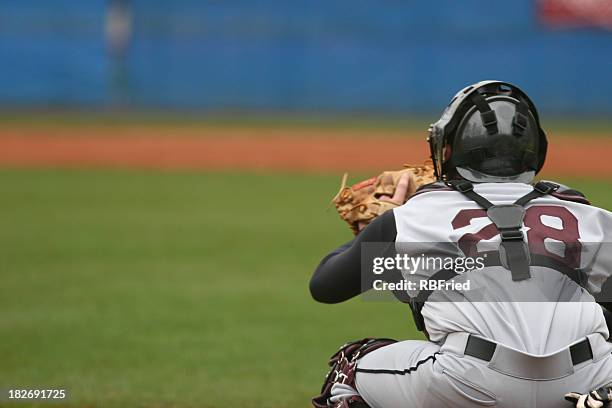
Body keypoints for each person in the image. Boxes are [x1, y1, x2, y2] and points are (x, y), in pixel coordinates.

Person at [310, 81, 612, 408]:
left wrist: (379, 231)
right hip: (591, 377)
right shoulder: (589, 215)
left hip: (469, 379)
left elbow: (326, 286)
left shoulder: (416, 214)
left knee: (349, 365)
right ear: (537, 150)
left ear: (447, 149)